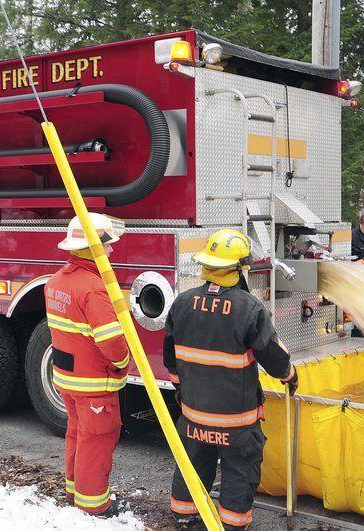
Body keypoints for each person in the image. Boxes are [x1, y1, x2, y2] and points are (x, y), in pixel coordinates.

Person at [163, 228, 298, 530]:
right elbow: (274, 357)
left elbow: (171, 359)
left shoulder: (182, 303)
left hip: (194, 416)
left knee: (193, 466)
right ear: (239, 268)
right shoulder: (248, 308)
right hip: (236, 423)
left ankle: (184, 514)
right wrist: (290, 375)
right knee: (239, 471)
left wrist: (181, 390)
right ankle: (234, 525)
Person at [45, 213, 130, 516]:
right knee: (97, 441)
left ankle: (74, 491)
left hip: (68, 380)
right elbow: (111, 342)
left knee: (77, 434)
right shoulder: (93, 288)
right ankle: (94, 506)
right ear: (92, 249)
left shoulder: (57, 281)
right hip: (95, 383)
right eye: (106, 245)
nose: (111, 251)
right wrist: (123, 363)